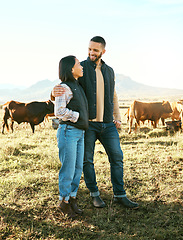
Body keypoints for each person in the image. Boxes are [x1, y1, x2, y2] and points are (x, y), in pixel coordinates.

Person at [52, 36, 139, 209]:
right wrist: (53, 93)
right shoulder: (81, 67)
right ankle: (95, 195)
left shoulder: (110, 71)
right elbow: (67, 86)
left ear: (103, 52)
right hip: (88, 125)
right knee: (87, 161)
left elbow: (113, 95)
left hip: (108, 124)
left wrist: (118, 117)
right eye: (89, 49)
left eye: (95, 50)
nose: (91, 53)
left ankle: (120, 195)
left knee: (117, 158)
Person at [55, 55, 89, 218]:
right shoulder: (64, 87)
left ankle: (72, 198)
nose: (81, 66)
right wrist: (77, 116)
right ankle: (64, 202)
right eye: (78, 64)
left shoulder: (77, 85)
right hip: (68, 131)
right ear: (71, 69)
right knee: (68, 169)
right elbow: (59, 111)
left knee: (77, 168)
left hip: (79, 132)